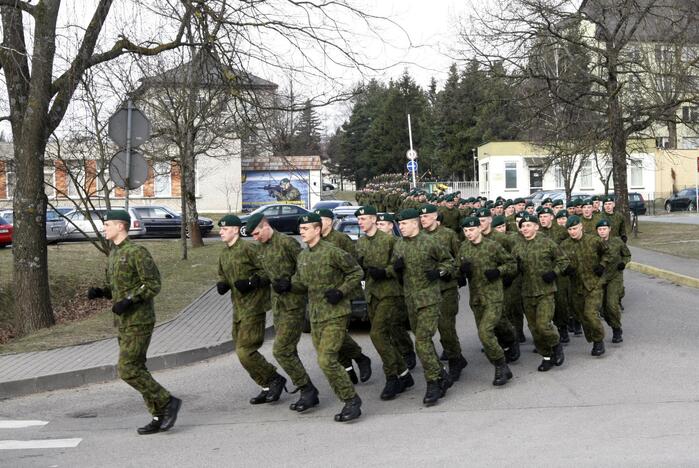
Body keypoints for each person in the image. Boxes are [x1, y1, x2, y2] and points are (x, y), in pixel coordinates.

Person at [87, 210, 181, 435]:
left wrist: (130, 301)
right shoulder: (113, 254)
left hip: (140, 320)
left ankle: (167, 401)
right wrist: (101, 292)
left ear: (121, 226)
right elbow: (117, 288)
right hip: (123, 321)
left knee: (127, 369)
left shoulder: (137, 252)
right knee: (137, 368)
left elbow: (153, 284)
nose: (104, 228)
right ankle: (158, 415)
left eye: (108, 224)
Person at [277, 213, 364, 422]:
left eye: (305, 229)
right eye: (300, 230)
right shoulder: (304, 256)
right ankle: (336, 395)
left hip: (336, 313)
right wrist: (288, 286)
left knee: (326, 360)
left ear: (317, 229)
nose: (301, 232)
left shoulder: (333, 252)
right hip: (315, 316)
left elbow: (356, 272)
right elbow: (301, 284)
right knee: (324, 360)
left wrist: (341, 291)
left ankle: (352, 400)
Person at [248, 213, 318, 412]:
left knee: (281, 350)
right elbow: (265, 271)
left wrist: (290, 284)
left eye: (256, 233)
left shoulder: (287, 243)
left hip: (294, 304)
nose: (255, 237)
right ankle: (303, 388)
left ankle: (308, 389)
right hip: (278, 306)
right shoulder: (261, 248)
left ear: (265, 226)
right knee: (288, 350)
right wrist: (258, 279)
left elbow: (305, 267)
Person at [215, 214, 287, 405]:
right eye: (220, 229)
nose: (220, 232)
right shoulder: (224, 253)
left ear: (236, 230)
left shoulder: (249, 248)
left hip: (254, 307)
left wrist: (251, 282)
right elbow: (222, 274)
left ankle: (274, 379)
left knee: (245, 351)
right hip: (238, 308)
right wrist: (222, 284)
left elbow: (267, 270)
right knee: (242, 351)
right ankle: (266, 384)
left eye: (224, 229)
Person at [391, 208, 456, 406]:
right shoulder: (399, 245)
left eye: (403, 224)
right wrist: (396, 268)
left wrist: (440, 273)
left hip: (429, 299)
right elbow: (395, 268)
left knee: (422, 341)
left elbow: (450, 262)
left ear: (414, 223)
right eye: (399, 224)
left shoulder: (430, 242)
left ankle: (433, 381)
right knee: (424, 343)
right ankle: (443, 376)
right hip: (411, 300)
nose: (400, 227)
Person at [355, 206, 414, 400]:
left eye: (364, 219)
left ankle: (392, 377)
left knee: (377, 334)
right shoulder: (361, 243)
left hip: (390, 294)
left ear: (374, 219)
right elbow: (358, 269)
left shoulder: (390, 241)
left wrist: (386, 271)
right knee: (385, 337)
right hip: (372, 295)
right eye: (359, 220)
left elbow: (400, 265)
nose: (360, 222)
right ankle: (404, 374)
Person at [314, 208, 372, 384]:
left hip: (341, 294)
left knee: (337, 335)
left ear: (330, 222)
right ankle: (350, 366)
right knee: (333, 336)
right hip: (323, 297)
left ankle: (359, 359)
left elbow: (354, 266)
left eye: (321, 221)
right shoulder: (315, 242)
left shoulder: (341, 239)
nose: (318, 224)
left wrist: (343, 290)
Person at [458, 216, 517, 386]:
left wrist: (498, 271)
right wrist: (461, 271)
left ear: (479, 229)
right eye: (465, 231)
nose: (468, 234)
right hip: (476, 299)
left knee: (485, 333)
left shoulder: (492, 246)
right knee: (498, 327)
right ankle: (510, 338)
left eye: (471, 230)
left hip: (493, 297)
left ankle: (500, 366)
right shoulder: (464, 248)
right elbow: (456, 271)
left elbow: (512, 264)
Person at [510, 213, 568, 372]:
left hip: (546, 291)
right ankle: (547, 357)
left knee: (544, 325)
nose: (525, 229)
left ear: (536, 226)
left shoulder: (547, 243)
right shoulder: (518, 247)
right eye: (522, 226)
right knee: (535, 329)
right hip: (527, 292)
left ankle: (556, 345)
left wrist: (554, 273)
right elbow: (511, 266)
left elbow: (564, 261)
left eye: (528, 225)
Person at [420, 204, 468, 382]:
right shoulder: (419, 236)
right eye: (421, 217)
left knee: (446, 327)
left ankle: (455, 360)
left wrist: (452, 274)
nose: (423, 219)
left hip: (446, 288)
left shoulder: (448, 235)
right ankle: (454, 356)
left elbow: (458, 259)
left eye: (426, 216)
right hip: (426, 291)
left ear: (435, 217)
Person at [560, 215, 612, 357]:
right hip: (576, 286)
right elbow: (560, 261)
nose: (572, 232)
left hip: (594, 283)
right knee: (582, 316)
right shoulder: (565, 245)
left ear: (581, 226)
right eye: (570, 229)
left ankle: (598, 341)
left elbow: (607, 252)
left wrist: (602, 265)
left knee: (590, 314)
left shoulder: (593, 240)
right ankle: (593, 338)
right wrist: (565, 269)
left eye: (575, 228)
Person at [377, 213, 416, 369]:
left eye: (382, 225)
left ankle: (407, 352)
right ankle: (397, 355)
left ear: (390, 226)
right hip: (382, 290)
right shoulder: (375, 244)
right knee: (387, 326)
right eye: (377, 225)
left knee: (396, 323)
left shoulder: (397, 243)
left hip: (399, 289)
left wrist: (393, 269)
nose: (379, 228)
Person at [596, 218, 631, 343]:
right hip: (600, 278)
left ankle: (617, 329)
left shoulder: (617, 242)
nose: (602, 232)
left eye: (604, 229)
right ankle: (612, 323)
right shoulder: (594, 243)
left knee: (611, 304)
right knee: (602, 308)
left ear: (610, 229)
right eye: (600, 229)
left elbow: (627, 255)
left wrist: (623, 263)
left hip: (615, 277)